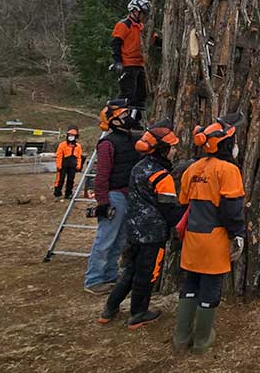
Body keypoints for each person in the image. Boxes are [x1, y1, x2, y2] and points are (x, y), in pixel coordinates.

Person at [98, 119, 183, 329]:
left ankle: (110, 309)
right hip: (153, 232)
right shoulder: (162, 176)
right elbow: (168, 208)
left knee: (130, 270)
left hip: (134, 229)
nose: (174, 151)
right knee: (147, 273)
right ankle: (138, 313)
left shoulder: (139, 167)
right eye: (172, 148)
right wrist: (183, 222)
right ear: (162, 150)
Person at [173, 112, 246, 354]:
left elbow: (183, 201)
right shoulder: (228, 171)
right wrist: (238, 234)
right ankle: (202, 341)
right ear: (226, 144)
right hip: (214, 238)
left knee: (190, 284)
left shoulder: (192, 168)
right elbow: (231, 209)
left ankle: (181, 338)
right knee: (211, 288)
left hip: (192, 236)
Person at [83, 100, 142, 294]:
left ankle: (109, 275)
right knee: (106, 238)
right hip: (114, 195)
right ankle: (94, 279)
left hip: (129, 195)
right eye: (122, 116)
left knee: (120, 239)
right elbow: (102, 175)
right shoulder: (107, 143)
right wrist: (103, 202)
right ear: (113, 121)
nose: (127, 119)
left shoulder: (132, 139)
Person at [111, 0, 152, 108]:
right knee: (127, 95)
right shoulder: (124, 25)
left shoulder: (141, 27)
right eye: (143, 13)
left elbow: (152, 38)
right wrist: (118, 61)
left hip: (139, 64)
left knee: (141, 96)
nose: (144, 17)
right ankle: (116, 117)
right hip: (127, 64)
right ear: (134, 11)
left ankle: (135, 121)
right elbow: (116, 43)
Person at [53, 127, 84, 199]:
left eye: (73, 135)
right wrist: (59, 165)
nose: (71, 137)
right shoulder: (62, 145)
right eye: (70, 135)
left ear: (76, 137)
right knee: (60, 179)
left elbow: (79, 157)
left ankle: (68, 194)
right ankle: (57, 193)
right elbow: (59, 156)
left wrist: (78, 165)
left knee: (71, 180)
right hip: (63, 165)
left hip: (73, 165)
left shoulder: (78, 146)